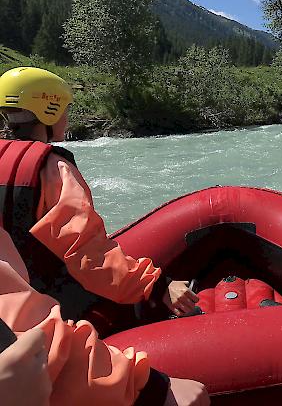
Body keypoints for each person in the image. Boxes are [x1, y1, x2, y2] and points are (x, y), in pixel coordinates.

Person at [0, 67, 198, 332]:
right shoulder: (53, 169)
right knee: (147, 311)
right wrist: (159, 286)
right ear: (50, 111)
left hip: (9, 307)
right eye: (66, 111)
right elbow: (89, 257)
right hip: (49, 308)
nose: (68, 119)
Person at [0, 225, 209, 405]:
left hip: (58, 319)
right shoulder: (49, 177)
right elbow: (87, 251)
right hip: (75, 323)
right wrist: (150, 390)